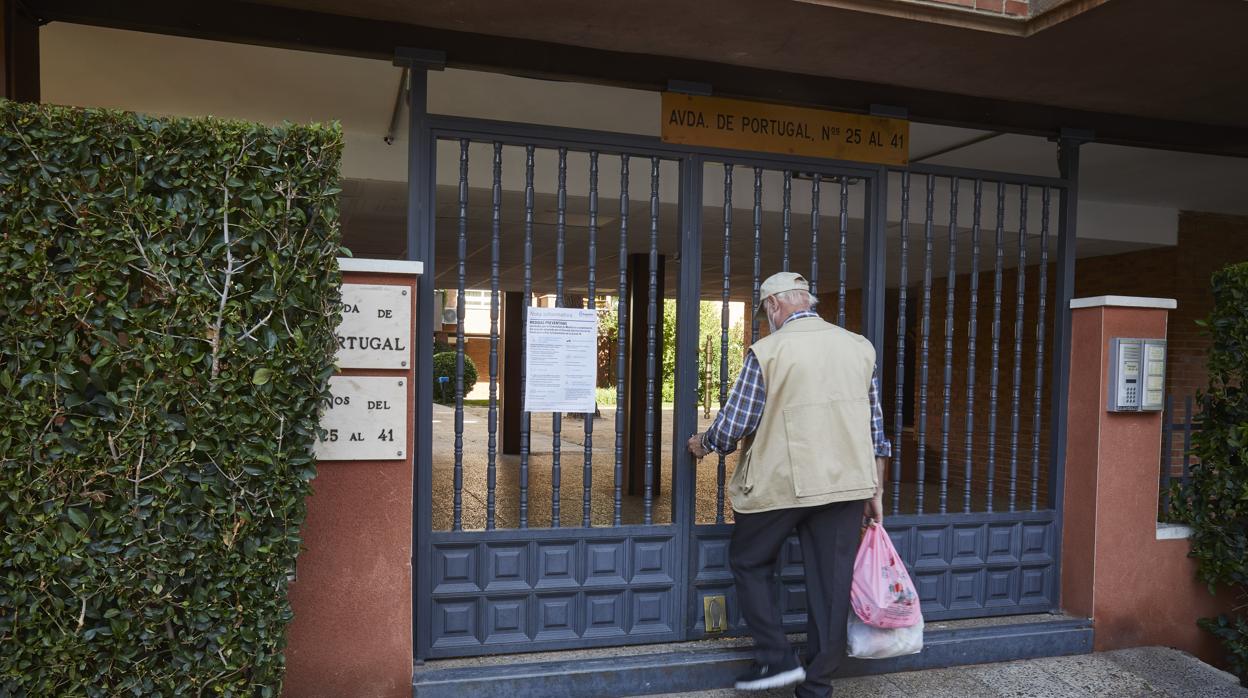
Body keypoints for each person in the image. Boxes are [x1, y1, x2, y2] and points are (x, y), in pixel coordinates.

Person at [687, 271, 890, 697]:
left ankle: (778, 659)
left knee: (749, 561)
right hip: (847, 484)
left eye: (766, 313)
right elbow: (876, 430)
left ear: (775, 306)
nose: (767, 320)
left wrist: (702, 443)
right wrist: (876, 490)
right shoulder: (859, 348)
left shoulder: (768, 351)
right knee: (831, 586)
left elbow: (735, 424)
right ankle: (816, 686)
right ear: (807, 302)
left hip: (782, 484)